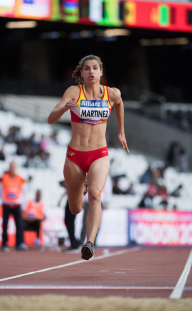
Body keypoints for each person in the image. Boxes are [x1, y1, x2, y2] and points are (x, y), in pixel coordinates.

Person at [48, 55, 129, 260]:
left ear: (101, 72)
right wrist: (65, 108)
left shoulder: (111, 94)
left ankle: (90, 242)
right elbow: (50, 118)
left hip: (99, 154)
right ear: (81, 73)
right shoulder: (75, 92)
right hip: (75, 155)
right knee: (75, 209)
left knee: (95, 195)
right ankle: (81, 187)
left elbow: (119, 104)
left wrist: (121, 131)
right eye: (87, 68)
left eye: (95, 68)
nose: (91, 71)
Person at [0, 161, 27, 251]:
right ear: (9, 167)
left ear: (16, 167)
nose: (12, 168)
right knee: (5, 224)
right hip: (6, 205)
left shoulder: (21, 178)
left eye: (14, 166)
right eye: (11, 166)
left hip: (17, 205)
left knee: (19, 225)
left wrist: (20, 201)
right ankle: (4, 244)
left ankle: (19, 244)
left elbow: (25, 191)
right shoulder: (3, 177)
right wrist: (4, 199)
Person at [58, 180, 81, 250]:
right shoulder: (69, 188)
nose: (62, 186)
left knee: (70, 223)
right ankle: (74, 242)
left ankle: (74, 243)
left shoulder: (72, 186)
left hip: (73, 204)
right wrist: (60, 200)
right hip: (71, 203)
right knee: (68, 222)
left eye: (62, 184)